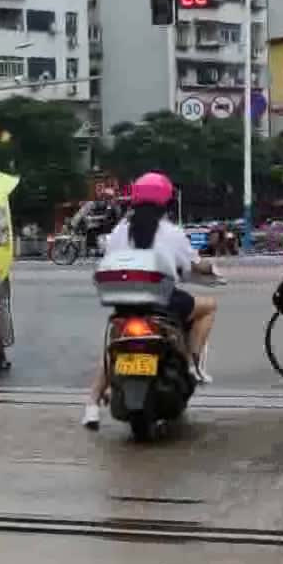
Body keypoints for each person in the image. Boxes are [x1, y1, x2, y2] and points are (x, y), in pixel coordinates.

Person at [82, 172, 220, 429]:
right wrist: (210, 267)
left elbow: (109, 260)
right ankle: (192, 366)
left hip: (125, 303)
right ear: (166, 203)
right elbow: (194, 265)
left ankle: (91, 405)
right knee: (209, 306)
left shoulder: (120, 231)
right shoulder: (172, 232)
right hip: (163, 301)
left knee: (115, 347)